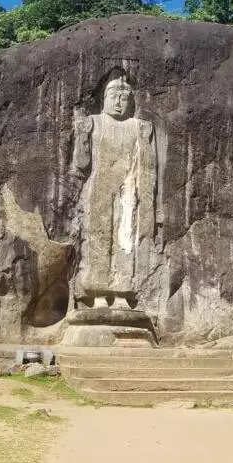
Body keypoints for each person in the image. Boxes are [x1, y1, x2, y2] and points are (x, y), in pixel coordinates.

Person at [72, 72, 157, 309]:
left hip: (128, 190)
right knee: (98, 238)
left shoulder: (138, 127)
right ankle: (97, 291)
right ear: (104, 98)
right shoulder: (94, 122)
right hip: (100, 188)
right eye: (113, 97)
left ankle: (122, 292)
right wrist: (82, 136)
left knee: (126, 235)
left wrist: (147, 203)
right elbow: (81, 163)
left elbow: (148, 167)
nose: (119, 102)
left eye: (124, 97)